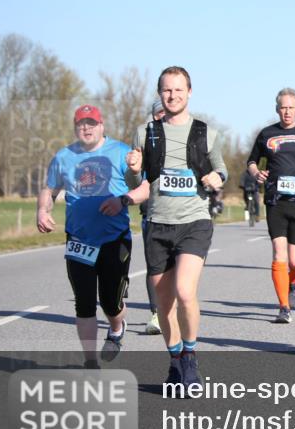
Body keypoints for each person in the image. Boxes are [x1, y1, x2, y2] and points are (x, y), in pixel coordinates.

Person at [127, 66, 227, 388]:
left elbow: (221, 170)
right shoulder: (145, 133)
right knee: (163, 304)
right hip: (157, 224)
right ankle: (175, 361)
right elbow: (140, 183)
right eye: (167, 90)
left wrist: (217, 178)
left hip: (194, 222)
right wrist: (132, 173)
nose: (173, 95)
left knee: (185, 292)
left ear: (189, 92)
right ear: (160, 94)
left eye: (179, 90)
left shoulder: (205, 133)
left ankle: (191, 359)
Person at [37, 105, 149, 369]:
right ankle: (90, 362)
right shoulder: (64, 156)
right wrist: (42, 210)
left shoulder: (122, 152)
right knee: (84, 302)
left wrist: (123, 200)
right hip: (78, 240)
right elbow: (49, 189)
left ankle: (117, 327)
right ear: (75, 127)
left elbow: (145, 188)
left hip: (114, 238)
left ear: (102, 125)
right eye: (80, 124)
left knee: (110, 301)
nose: (85, 128)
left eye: (91, 123)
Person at [246, 88, 295, 324]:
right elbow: (251, 161)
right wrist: (256, 173)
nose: (287, 111)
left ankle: (293, 281)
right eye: (283, 107)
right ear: (277, 109)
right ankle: (283, 307)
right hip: (275, 200)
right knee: (279, 253)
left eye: (291, 107)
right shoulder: (266, 134)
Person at [139, 99, 166, 335]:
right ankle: (157, 313)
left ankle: (175, 305)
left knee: (177, 268)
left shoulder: (186, 137)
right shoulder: (145, 138)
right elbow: (133, 177)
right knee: (154, 266)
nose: (162, 117)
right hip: (150, 212)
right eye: (158, 113)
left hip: (181, 215)